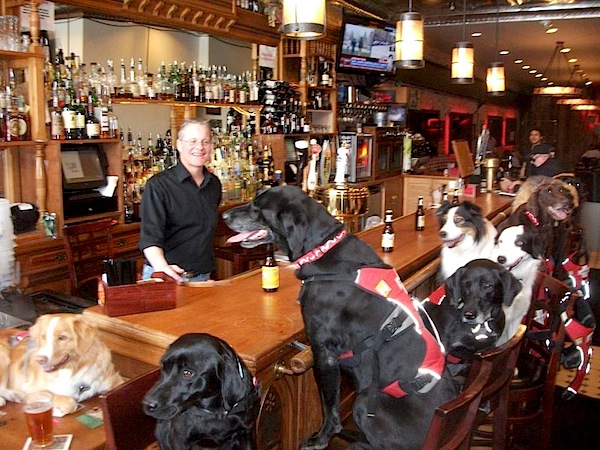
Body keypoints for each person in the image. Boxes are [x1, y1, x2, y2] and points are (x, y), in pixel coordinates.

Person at [138, 118, 222, 282]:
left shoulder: (214, 184)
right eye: (192, 141)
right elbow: (150, 238)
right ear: (179, 144)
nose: (199, 147)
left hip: (202, 276)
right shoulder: (159, 185)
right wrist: (162, 268)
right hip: (167, 276)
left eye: (205, 142)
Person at [502, 143, 568, 193]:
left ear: (544, 156)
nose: (531, 162)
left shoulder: (551, 167)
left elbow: (538, 190)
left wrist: (514, 186)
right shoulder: (543, 166)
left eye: (534, 159)